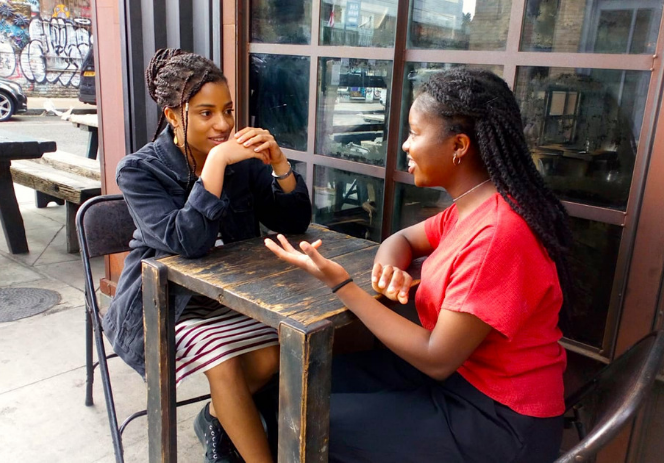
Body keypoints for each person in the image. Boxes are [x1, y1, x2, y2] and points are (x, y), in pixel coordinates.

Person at [265, 68, 572, 462]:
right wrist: (389, 270)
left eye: (414, 133)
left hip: (497, 418)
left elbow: (437, 357)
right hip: (457, 378)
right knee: (289, 388)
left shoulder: (498, 233)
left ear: (458, 145)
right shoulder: (471, 207)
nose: (405, 146)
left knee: (303, 416)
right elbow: (403, 240)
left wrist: (343, 286)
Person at [104, 48, 312, 463]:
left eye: (228, 110)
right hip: (168, 300)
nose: (223, 124)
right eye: (206, 113)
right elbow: (189, 241)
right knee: (224, 362)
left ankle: (216, 417)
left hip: (234, 293)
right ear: (173, 116)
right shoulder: (139, 170)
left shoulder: (243, 163)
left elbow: (293, 222)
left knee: (275, 354)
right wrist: (216, 161)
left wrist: (279, 164)